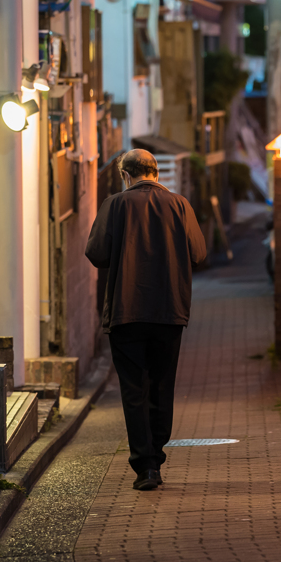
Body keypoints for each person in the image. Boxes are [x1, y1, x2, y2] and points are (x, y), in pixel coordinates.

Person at [86, 149, 207, 491]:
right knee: (161, 384)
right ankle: (157, 451)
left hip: (127, 311)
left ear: (125, 174)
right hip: (170, 310)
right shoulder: (180, 205)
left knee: (134, 389)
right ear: (155, 172)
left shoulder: (115, 204)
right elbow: (199, 253)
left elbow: (97, 254)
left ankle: (146, 467)